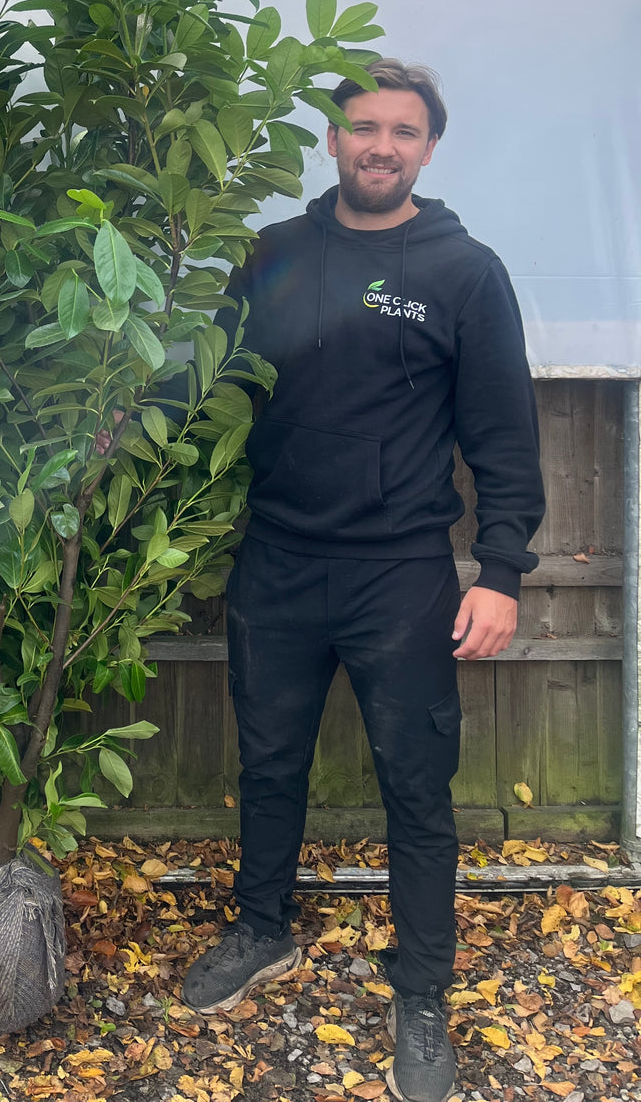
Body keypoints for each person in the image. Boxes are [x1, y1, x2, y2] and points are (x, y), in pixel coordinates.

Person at [180, 59, 545, 1102]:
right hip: (278, 563)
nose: (380, 144)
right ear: (331, 141)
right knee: (268, 763)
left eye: (402, 129)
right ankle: (262, 927)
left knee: (417, 786)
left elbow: (504, 439)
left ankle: (422, 985)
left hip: (402, 577)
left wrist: (503, 569)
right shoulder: (275, 255)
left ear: (429, 148)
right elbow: (208, 377)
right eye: (361, 126)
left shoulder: (465, 270)